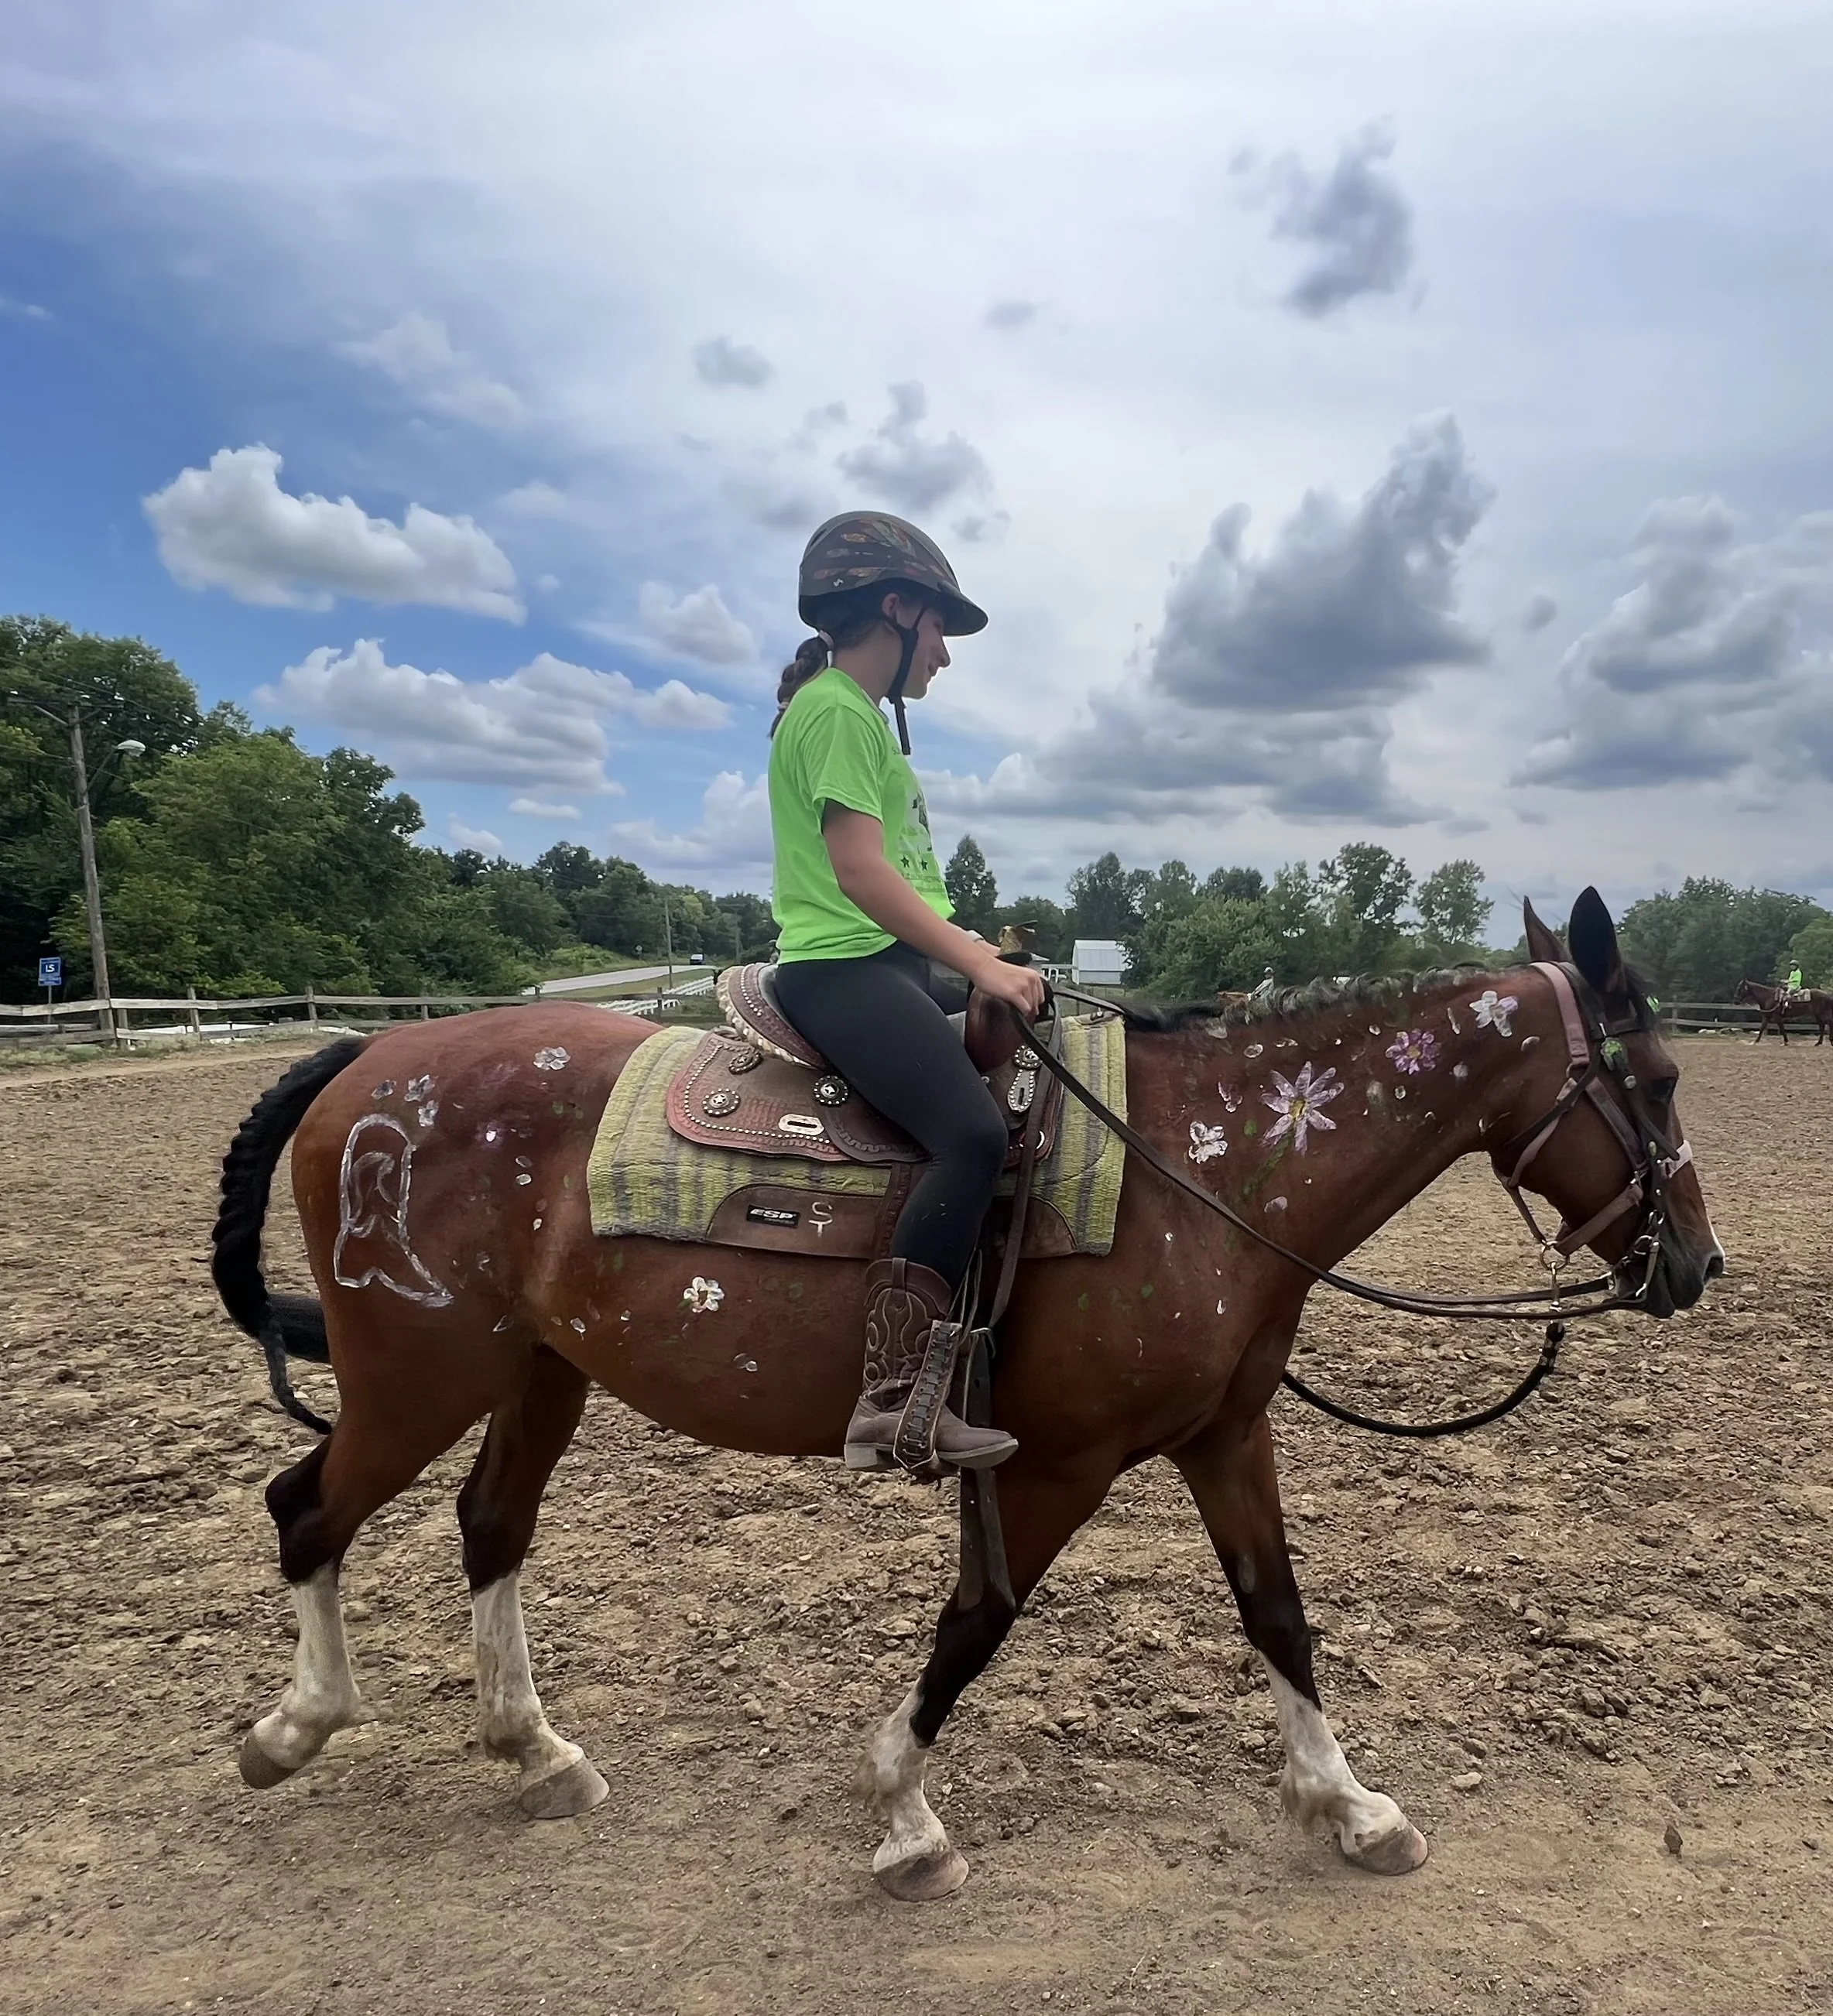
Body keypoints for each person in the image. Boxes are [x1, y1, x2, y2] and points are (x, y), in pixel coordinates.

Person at [767, 512, 1045, 1472]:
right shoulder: (841, 707)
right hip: (843, 966)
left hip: (887, 961)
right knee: (969, 1134)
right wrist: (977, 963)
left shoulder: (852, 716)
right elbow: (861, 875)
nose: (944, 656)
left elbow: (909, 888)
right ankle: (890, 1397)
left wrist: (980, 960)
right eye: (939, 632)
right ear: (897, 608)